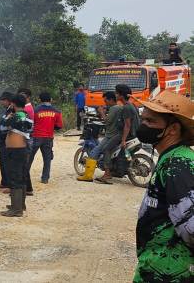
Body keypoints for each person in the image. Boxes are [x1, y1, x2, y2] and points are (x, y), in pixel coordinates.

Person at [133, 90, 194, 282]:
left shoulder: (176, 165)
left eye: (150, 121)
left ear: (173, 129)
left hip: (168, 271)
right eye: (143, 119)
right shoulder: (171, 157)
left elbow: (191, 229)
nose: (143, 125)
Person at [77, 91, 122, 184]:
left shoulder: (114, 108)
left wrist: (101, 112)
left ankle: (88, 176)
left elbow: (107, 121)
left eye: (106, 101)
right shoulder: (118, 108)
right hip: (115, 134)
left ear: (111, 100)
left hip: (110, 136)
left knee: (95, 152)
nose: (105, 103)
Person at [0, 94, 33, 217]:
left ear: (13, 104)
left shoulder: (17, 116)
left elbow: (3, 125)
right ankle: (19, 205)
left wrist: (8, 114)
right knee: (21, 177)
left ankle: (16, 209)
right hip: (21, 150)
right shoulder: (25, 115)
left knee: (15, 178)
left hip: (16, 151)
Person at [27, 92, 63, 184]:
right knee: (47, 159)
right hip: (48, 137)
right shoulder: (57, 112)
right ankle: (45, 178)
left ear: (40, 100)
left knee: (29, 157)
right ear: (50, 99)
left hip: (36, 137)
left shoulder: (35, 110)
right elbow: (59, 126)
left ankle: (25, 175)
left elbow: (30, 124)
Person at [0, 91, 14, 190]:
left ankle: (10, 185)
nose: (1, 102)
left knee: (8, 164)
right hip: (2, 143)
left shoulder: (12, 111)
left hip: (8, 142)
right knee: (3, 163)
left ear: (8, 101)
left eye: (2, 100)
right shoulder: (7, 110)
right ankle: (5, 182)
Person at [115, 84, 140, 149]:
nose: (115, 95)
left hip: (129, 136)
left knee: (106, 149)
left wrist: (123, 141)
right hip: (133, 134)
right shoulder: (131, 104)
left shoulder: (126, 108)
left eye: (117, 93)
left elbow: (127, 126)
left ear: (122, 95)